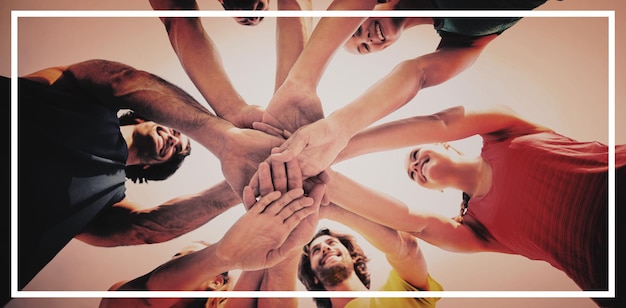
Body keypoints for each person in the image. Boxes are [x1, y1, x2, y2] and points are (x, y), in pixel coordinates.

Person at [14, 58, 286, 290]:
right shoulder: (76, 91)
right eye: (176, 133)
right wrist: (225, 138)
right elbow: (123, 81)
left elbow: (147, 229)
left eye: (176, 150)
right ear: (144, 118)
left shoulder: (105, 202)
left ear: (149, 167)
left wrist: (250, 181)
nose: (174, 141)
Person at [322, 104, 625, 307]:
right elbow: (415, 222)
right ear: (436, 189)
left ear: (445, 145)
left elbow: (439, 122)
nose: (415, 166)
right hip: (607, 267)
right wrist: (327, 181)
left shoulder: (502, 134)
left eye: (415, 154)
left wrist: (336, 147)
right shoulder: (474, 229)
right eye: (412, 174)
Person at [261, 0, 552, 178]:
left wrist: (300, 83)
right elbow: (416, 73)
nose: (367, 37)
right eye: (364, 47)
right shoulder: (461, 39)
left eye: (356, 28)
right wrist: (338, 132)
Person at [99, 182, 323, 308]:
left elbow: (274, 299)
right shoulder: (126, 294)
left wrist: (291, 246)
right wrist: (220, 257)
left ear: (216, 282)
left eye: (181, 257)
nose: (176, 265)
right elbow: (132, 299)